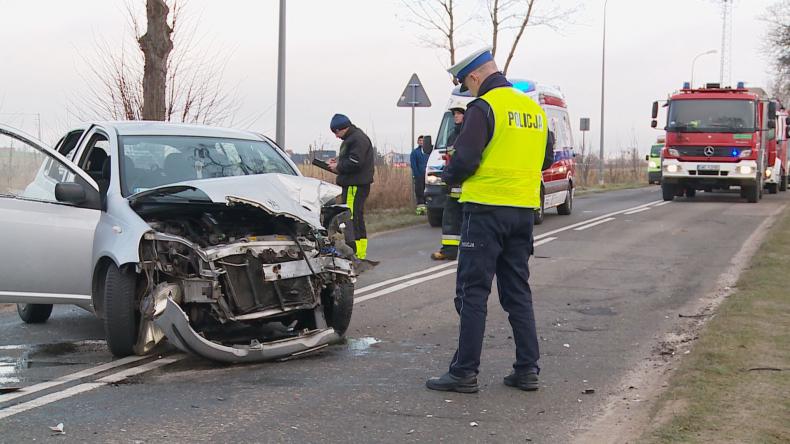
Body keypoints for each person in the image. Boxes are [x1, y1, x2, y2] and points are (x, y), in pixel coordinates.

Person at [425, 48, 555, 394]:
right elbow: (547, 157)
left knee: (473, 293)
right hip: (523, 212)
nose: (470, 91)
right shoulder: (534, 110)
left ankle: (464, 372)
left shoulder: (483, 108)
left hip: (484, 212)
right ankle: (527, 369)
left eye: (468, 85)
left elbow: (466, 159)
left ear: (475, 77)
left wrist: (449, 176)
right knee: (517, 292)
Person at [327, 114, 375, 260]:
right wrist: (339, 161)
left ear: (342, 128)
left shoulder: (356, 139)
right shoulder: (353, 138)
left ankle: (355, 253)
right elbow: (352, 158)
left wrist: (338, 167)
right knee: (356, 218)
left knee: (351, 218)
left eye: (336, 132)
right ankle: (359, 252)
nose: (336, 136)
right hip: (355, 184)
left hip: (355, 185)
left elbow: (355, 162)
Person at [430, 106, 465, 260]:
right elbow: (450, 159)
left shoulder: (469, 134)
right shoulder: (452, 136)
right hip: (453, 184)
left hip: (467, 185)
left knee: (468, 219)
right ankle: (450, 250)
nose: (456, 116)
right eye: (454, 114)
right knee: (450, 218)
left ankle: (467, 250)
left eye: (459, 113)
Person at [410, 135, 429, 215]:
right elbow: (413, 165)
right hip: (419, 176)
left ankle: (426, 209)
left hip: (427, 176)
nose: (421, 142)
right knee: (419, 192)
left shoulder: (428, 152)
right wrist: (417, 175)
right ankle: (420, 210)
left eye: (423, 140)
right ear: (418, 142)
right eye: (420, 140)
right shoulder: (415, 152)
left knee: (426, 192)